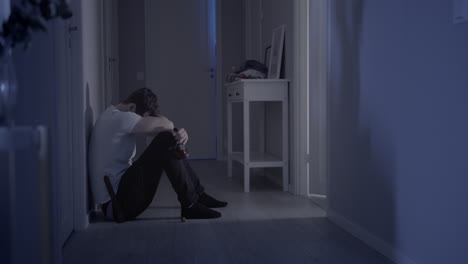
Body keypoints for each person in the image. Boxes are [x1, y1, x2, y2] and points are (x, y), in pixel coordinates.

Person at [89, 88, 227, 223]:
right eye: (142, 117)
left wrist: (176, 133)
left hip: (117, 200)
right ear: (132, 107)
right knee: (166, 139)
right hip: (116, 205)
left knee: (167, 139)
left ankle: (197, 196)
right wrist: (174, 130)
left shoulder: (112, 114)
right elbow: (167, 125)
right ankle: (191, 204)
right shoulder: (121, 118)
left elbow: (162, 128)